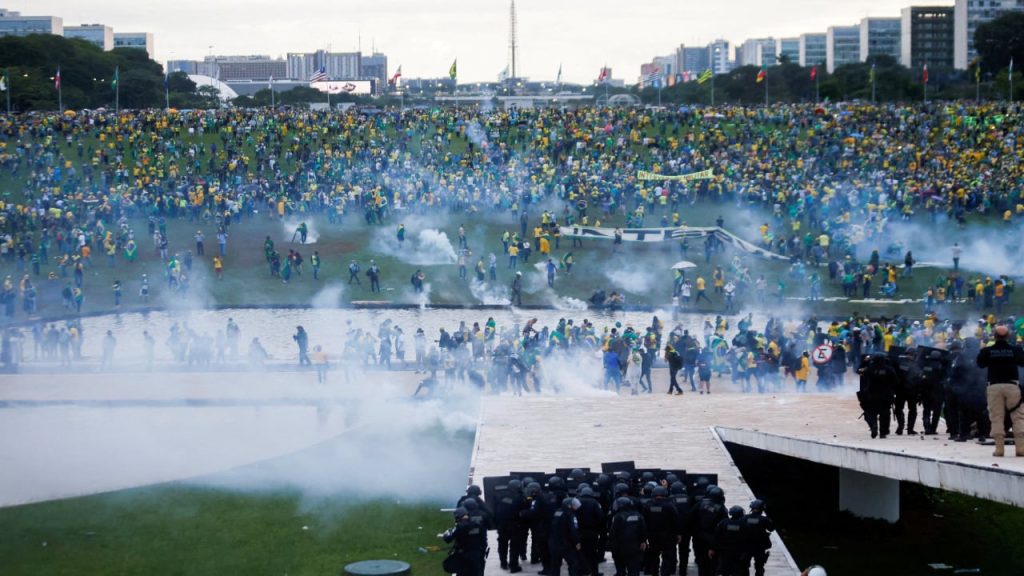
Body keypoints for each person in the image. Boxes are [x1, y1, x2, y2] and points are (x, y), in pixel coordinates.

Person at [976, 325, 1024, 456]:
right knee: (1018, 417)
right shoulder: (1016, 350)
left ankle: (999, 449)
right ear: (1008, 336)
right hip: (1012, 386)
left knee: (997, 417)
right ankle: (1020, 448)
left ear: (994, 336)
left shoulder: (987, 351)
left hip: (994, 386)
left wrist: (981, 351)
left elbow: (980, 364)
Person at [441, 507, 485, 576]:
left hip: (463, 556)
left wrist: (446, 533)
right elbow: (483, 539)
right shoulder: (478, 525)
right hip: (476, 555)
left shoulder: (459, 527)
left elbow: (448, 539)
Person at [609, 496, 647, 576]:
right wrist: (643, 541)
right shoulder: (638, 515)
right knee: (634, 570)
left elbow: (613, 533)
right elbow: (643, 530)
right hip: (635, 547)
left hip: (620, 548)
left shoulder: (617, 517)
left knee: (621, 571)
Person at [742, 499, 774, 576]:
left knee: (744, 566)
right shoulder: (764, 519)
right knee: (759, 566)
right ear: (762, 509)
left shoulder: (745, 518)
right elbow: (771, 529)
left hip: (747, 546)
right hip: (760, 546)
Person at [710, 506, 745, 576]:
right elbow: (747, 538)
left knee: (724, 569)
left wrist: (712, 548)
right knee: (736, 569)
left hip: (724, 551)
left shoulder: (723, 522)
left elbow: (716, 536)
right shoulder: (743, 524)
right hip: (737, 551)